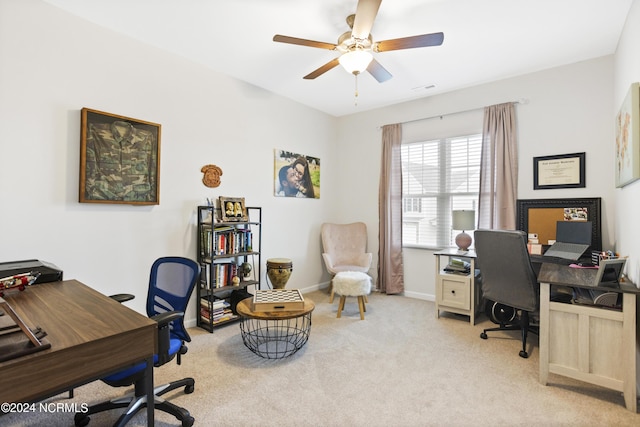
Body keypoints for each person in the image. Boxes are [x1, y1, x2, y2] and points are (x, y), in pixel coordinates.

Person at [84, 119, 158, 202]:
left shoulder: (146, 137)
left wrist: (152, 195)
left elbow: (153, 167)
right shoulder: (95, 131)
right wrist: (91, 190)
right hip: (103, 198)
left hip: (139, 198)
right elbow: (90, 164)